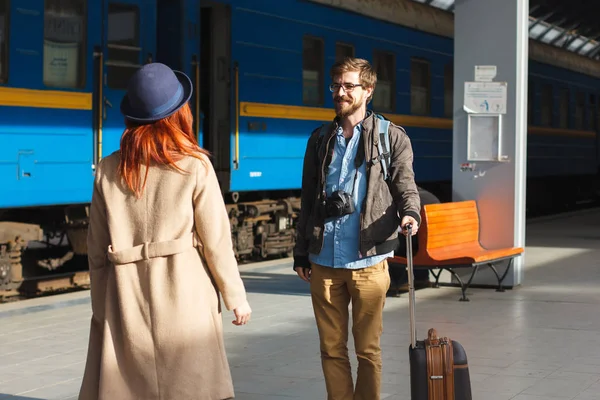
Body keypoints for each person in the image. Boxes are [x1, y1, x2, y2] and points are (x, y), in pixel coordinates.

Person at [78, 63, 251, 400]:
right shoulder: (194, 165)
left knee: (132, 387)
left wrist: (102, 308)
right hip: (184, 292)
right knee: (192, 386)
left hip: (127, 298)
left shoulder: (108, 169)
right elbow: (216, 241)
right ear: (178, 115)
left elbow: (96, 250)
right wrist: (236, 297)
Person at [293, 57, 421, 400]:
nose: (340, 92)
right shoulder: (320, 138)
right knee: (331, 349)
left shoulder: (391, 137)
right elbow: (307, 199)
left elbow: (405, 185)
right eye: (336, 85)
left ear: (368, 90)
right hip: (324, 261)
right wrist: (301, 252)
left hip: (368, 261)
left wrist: (411, 214)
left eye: (349, 86)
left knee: (368, 350)